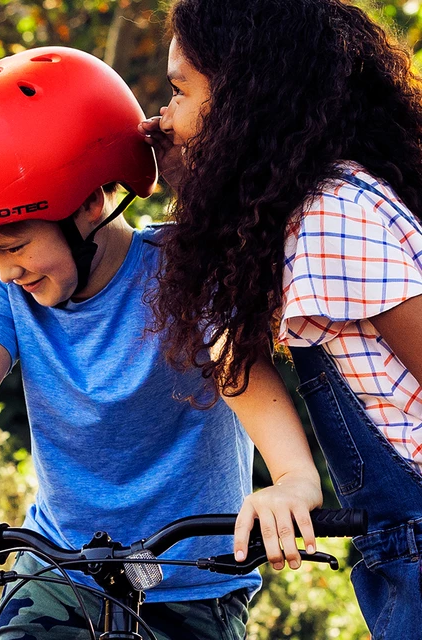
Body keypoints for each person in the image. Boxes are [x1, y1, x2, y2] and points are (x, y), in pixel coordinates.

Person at [0, 46, 322, 639]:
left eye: (13, 247)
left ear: (90, 202)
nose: (3, 269)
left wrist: (293, 478)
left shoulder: (181, 268)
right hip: (60, 568)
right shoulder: (5, 286)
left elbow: (235, 366)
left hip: (193, 580)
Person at [139, 0, 422, 637]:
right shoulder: (314, 205)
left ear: (247, 100)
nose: (165, 118)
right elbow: (224, 331)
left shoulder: (330, 219)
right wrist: (191, 169)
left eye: (180, 92)